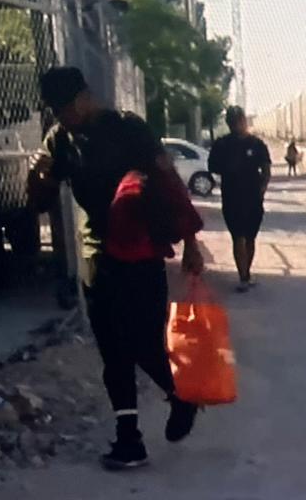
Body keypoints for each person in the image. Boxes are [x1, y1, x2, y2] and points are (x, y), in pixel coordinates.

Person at [27, 66, 204, 470]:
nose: (62, 117)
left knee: (144, 342)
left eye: (67, 108)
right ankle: (129, 440)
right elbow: (39, 200)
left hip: (140, 251)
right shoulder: (59, 140)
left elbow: (170, 182)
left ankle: (179, 396)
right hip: (97, 253)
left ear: (86, 98)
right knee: (111, 349)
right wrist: (40, 180)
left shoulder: (129, 130)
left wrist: (190, 240)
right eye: (55, 111)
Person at [209, 106, 271, 292]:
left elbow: (266, 170)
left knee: (249, 237)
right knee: (238, 237)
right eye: (233, 120)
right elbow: (213, 167)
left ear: (244, 120)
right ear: (229, 123)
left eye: (239, 119)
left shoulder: (257, 144)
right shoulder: (221, 145)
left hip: (252, 197)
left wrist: (261, 190)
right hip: (232, 197)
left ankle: (247, 272)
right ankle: (243, 276)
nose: (236, 123)